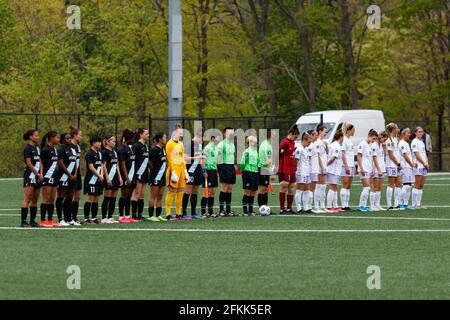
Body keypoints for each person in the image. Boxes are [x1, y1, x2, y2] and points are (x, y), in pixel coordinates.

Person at [55, 133, 80, 226]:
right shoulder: (60, 149)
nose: (69, 139)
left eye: (70, 138)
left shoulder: (73, 150)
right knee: (61, 197)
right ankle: (60, 219)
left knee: (69, 198)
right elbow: (60, 163)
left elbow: (76, 163)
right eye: (67, 138)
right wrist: (69, 174)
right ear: (62, 140)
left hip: (72, 177)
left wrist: (75, 174)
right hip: (63, 177)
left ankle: (68, 219)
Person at [165, 124, 188, 220]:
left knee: (180, 192)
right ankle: (168, 213)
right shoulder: (170, 143)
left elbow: (182, 158)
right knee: (171, 191)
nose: (181, 134)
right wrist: (173, 171)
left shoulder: (180, 143)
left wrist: (185, 170)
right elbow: (169, 158)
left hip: (181, 170)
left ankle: (178, 213)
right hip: (173, 171)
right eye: (179, 133)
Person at [21, 129, 43, 227]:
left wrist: (41, 173)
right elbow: (29, 163)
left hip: (38, 176)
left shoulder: (38, 148)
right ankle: (23, 222)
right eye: (36, 135)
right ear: (31, 137)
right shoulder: (27, 148)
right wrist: (37, 174)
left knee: (35, 199)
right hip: (30, 175)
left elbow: (40, 162)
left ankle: (32, 221)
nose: (38, 137)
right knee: (28, 198)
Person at [183, 131, 207, 219]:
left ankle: (193, 213)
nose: (202, 142)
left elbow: (201, 159)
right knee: (188, 190)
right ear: (198, 136)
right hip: (190, 170)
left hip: (198, 170)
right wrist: (197, 157)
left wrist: (204, 170)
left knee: (195, 191)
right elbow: (185, 158)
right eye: (202, 140)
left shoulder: (200, 146)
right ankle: (184, 213)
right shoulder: (189, 144)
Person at [40, 131, 61, 227]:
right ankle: (43, 220)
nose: (58, 139)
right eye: (57, 137)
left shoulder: (55, 149)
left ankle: (50, 219)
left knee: (52, 199)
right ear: (51, 138)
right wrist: (41, 175)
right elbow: (40, 163)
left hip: (54, 177)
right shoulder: (45, 150)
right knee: (46, 198)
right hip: (47, 176)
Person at [117, 129, 138, 223]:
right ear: (127, 138)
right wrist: (126, 178)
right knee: (124, 195)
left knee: (129, 196)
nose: (133, 140)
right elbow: (122, 164)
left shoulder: (130, 147)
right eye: (132, 138)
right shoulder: (121, 149)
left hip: (132, 175)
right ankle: (121, 216)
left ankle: (127, 215)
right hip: (126, 176)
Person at [278, 125, 300, 214]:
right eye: (295, 136)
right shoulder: (284, 142)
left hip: (291, 169)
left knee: (291, 187)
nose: (295, 138)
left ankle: (289, 208)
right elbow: (278, 155)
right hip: (284, 169)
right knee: (284, 187)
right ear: (291, 134)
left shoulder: (293, 143)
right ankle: (282, 208)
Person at [101, 135, 122, 224]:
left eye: (115, 141)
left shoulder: (114, 152)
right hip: (108, 177)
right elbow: (104, 166)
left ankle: (110, 217)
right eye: (113, 141)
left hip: (115, 178)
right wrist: (107, 178)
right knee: (107, 198)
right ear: (108, 142)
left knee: (113, 198)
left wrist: (120, 176)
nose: (114, 143)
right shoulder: (104, 152)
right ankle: (104, 217)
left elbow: (117, 165)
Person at [148, 132, 168, 222]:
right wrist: (154, 172)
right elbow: (150, 163)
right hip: (155, 176)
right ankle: (151, 215)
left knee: (160, 196)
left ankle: (158, 215)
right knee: (153, 196)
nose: (166, 139)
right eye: (164, 137)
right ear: (160, 139)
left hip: (163, 176)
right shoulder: (154, 150)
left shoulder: (163, 149)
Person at [83, 135, 104, 224]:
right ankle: (86, 218)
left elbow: (102, 165)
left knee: (96, 199)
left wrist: (101, 175)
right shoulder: (89, 153)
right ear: (93, 143)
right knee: (90, 198)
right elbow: (91, 167)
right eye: (98, 142)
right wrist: (99, 175)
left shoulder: (99, 153)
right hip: (91, 179)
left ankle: (94, 218)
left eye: (100, 141)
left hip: (98, 179)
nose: (100, 143)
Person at [217, 127, 237, 217]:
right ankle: (221, 210)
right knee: (224, 188)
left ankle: (228, 210)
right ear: (225, 134)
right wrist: (219, 168)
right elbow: (218, 158)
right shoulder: (221, 144)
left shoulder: (232, 144)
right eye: (230, 133)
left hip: (231, 166)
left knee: (230, 188)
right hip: (224, 166)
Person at [356, 129, 378, 212]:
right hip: (363, 169)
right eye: (373, 138)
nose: (373, 140)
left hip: (368, 169)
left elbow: (371, 158)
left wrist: (372, 168)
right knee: (367, 187)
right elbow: (358, 156)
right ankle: (361, 206)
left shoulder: (370, 145)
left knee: (368, 187)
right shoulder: (363, 144)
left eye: (375, 139)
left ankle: (363, 205)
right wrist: (361, 168)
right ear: (369, 136)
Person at [131, 128, 150, 220]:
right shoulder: (136, 145)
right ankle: (134, 215)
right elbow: (133, 160)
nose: (148, 135)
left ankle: (140, 214)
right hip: (138, 173)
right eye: (146, 134)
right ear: (141, 134)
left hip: (145, 172)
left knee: (142, 194)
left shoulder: (145, 145)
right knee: (136, 194)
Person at [240, 136, 259, 216]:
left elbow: (258, 162)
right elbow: (242, 163)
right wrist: (244, 171)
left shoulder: (256, 152)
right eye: (254, 142)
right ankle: (245, 211)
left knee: (253, 192)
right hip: (248, 173)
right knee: (247, 192)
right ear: (250, 142)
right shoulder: (246, 152)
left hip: (255, 173)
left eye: (256, 142)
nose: (255, 143)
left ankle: (251, 210)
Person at [385, 123, 403, 210]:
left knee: (399, 183)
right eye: (397, 128)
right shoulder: (389, 140)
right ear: (394, 129)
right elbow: (391, 154)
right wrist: (398, 163)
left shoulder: (395, 139)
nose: (398, 129)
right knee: (391, 184)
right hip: (392, 165)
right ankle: (389, 205)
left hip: (397, 165)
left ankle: (397, 204)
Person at [326, 130, 344, 212]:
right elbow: (333, 157)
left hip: (335, 169)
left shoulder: (334, 145)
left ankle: (335, 206)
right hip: (333, 169)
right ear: (340, 137)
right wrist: (326, 165)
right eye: (343, 137)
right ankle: (329, 206)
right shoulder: (336, 146)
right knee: (333, 187)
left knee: (335, 187)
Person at [398, 128, 417, 210]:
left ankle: (405, 204)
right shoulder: (402, 143)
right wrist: (411, 164)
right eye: (408, 133)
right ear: (403, 134)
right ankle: (399, 203)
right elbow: (405, 156)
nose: (409, 134)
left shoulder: (405, 143)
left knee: (409, 185)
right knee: (406, 185)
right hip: (405, 167)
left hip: (408, 167)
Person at [201, 135, 219, 218]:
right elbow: (202, 160)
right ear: (213, 138)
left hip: (214, 171)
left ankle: (210, 212)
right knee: (206, 192)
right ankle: (203, 212)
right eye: (217, 138)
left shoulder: (216, 148)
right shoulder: (207, 148)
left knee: (212, 192)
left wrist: (216, 171)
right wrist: (204, 171)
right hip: (208, 171)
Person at [294, 132, 312, 214]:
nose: (309, 144)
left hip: (307, 172)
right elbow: (295, 161)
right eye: (308, 142)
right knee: (299, 190)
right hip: (301, 172)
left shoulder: (306, 148)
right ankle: (298, 208)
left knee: (307, 190)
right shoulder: (299, 149)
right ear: (304, 140)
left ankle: (306, 208)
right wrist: (296, 172)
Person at [370, 131, 388, 211]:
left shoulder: (381, 145)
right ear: (381, 137)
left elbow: (383, 155)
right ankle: (371, 205)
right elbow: (374, 158)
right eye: (384, 139)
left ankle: (377, 204)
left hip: (382, 167)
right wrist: (378, 169)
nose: (384, 141)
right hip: (377, 168)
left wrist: (384, 147)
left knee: (379, 187)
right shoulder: (374, 145)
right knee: (375, 187)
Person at [411, 126, 429, 209]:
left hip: (424, 166)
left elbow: (424, 154)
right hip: (418, 166)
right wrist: (424, 163)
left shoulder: (422, 142)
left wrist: (427, 163)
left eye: (422, 132)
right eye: (419, 132)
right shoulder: (414, 142)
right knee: (417, 185)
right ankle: (414, 204)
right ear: (415, 133)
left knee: (421, 185)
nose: (421, 133)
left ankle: (418, 204)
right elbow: (417, 155)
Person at [257, 129, 275, 210]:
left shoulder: (267, 144)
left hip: (264, 169)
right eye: (273, 133)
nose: (275, 134)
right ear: (270, 135)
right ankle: (262, 208)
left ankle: (265, 207)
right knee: (262, 189)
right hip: (263, 169)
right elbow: (268, 161)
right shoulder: (266, 146)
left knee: (266, 189)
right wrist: (271, 173)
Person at [340, 123, 355, 211]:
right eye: (353, 130)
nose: (354, 132)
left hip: (351, 165)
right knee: (345, 184)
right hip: (345, 165)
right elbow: (343, 153)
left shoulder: (349, 140)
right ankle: (343, 205)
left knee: (349, 185)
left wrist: (353, 165)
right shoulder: (344, 140)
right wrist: (346, 165)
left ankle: (347, 204)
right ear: (349, 130)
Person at [70, 127, 83, 225]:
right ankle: (68, 217)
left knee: (77, 196)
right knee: (69, 196)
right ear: (74, 135)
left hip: (77, 173)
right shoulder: (69, 146)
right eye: (80, 135)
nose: (81, 137)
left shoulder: (78, 147)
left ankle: (74, 217)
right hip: (70, 174)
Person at [314, 124, 328, 212]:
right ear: (320, 131)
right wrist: (322, 167)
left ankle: (322, 206)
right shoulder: (318, 142)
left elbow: (326, 153)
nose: (326, 133)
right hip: (319, 166)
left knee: (323, 186)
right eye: (324, 132)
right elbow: (318, 155)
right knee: (319, 186)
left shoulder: (323, 142)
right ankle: (316, 206)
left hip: (324, 165)